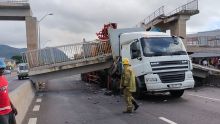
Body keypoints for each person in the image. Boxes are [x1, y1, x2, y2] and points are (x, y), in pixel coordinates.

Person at [0, 59, 17, 124]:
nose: (2, 70)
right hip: (1, 114)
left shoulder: (3, 79)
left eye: (3, 68)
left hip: (9, 110)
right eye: (0, 68)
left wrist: (12, 106)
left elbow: (6, 95)